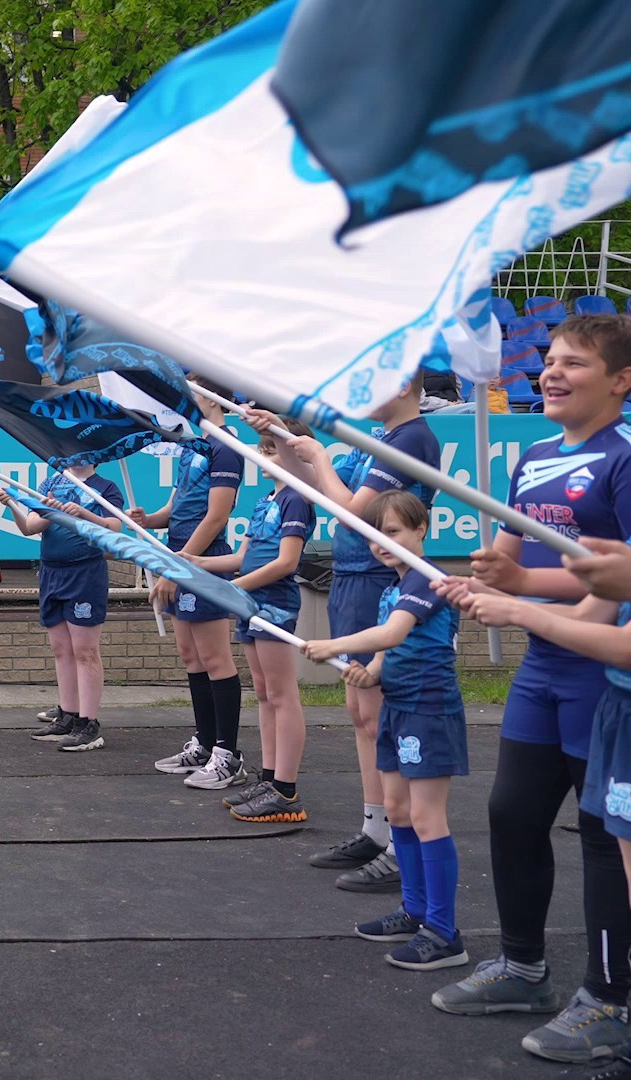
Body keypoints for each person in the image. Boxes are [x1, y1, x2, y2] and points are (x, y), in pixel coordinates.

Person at [430, 313, 631, 1065]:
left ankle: (608, 998)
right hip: (544, 667)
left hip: (599, 671)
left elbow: (616, 581)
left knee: (605, 839)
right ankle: (522, 968)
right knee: (511, 814)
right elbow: (513, 566)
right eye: (550, 358)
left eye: (574, 363)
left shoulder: (623, 460)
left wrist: (523, 598)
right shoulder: (537, 455)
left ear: (621, 381)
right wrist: (495, 583)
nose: (551, 372)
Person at [254, 377, 441, 893]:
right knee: (361, 712)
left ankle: (399, 842)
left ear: (405, 385)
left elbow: (355, 513)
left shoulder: (410, 437)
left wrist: (318, 453)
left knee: (380, 714)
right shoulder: (380, 438)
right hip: (353, 578)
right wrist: (284, 442)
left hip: (379, 579)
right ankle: (375, 829)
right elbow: (320, 491)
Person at [303, 491, 469, 971]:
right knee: (397, 810)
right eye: (374, 534)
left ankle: (443, 932)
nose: (382, 543)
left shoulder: (428, 578)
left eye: (392, 532)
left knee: (426, 816)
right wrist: (367, 673)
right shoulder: (391, 590)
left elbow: (394, 633)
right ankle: (414, 911)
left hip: (428, 710)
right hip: (397, 707)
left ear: (421, 530)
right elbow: (384, 654)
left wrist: (332, 644)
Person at [198, 418, 317, 825]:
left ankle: (286, 789)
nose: (262, 456)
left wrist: (234, 588)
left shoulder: (296, 499)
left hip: (274, 604)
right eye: (262, 449)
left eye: (270, 449)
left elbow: (286, 562)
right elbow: (240, 557)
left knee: (282, 694)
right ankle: (269, 778)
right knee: (264, 693)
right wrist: (194, 563)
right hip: (251, 603)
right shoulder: (266, 499)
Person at [132, 386, 244, 788]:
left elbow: (216, 517)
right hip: (179, 559)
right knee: (191, 656)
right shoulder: (190, 444)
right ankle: (204, 743)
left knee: (215, 658)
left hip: (202, 561)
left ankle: (228, 755)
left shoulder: (226, 448)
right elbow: (176, 505)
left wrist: (177, 568)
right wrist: (148, 520)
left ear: (211, 398)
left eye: (190, 392)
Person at [0, 465, 123, 753]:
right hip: (52, 572)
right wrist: (15, 506)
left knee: (85, 651)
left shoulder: (105, 487)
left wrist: (83, 514)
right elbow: (30, 527)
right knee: (61, 649)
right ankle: (67, 715)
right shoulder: (50, 483)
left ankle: (88, 724)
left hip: (85, 572)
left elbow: (115, 527)